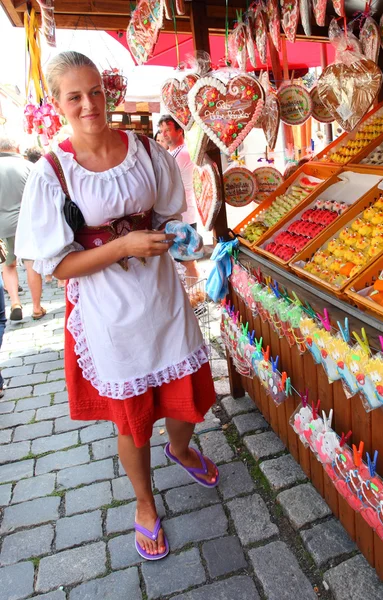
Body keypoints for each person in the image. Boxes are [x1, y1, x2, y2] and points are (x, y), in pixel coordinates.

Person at [15, 51, 217, 561]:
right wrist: (123, 247)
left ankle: (182, 448)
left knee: (185, 394)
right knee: (132, 419)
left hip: (163, 297)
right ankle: (145, 503)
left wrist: (185, 241)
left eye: (96, 93)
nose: (89, 105)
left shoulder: (148, 151)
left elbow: (171, 215)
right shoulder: (53, 172)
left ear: (107, 93)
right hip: (107, 309)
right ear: (57, 104)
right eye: (74, 97)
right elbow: (57, 266)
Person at [0, 137, 46, 321]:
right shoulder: (29, 166)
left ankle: (15, 303)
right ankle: (36, 307)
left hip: (3, 225)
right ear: (16, 147)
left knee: (8, 266)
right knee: (31, 264)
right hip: (27, 223)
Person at [158, 115, 200, 280]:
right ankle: (194, 296)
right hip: (181, 214)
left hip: (184, 215)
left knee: (186, 260)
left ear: (179, 130)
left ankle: (196, 297)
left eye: (168, 130)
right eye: (162, 131)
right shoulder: (173, 152)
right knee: (183, 259)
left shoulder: (182, 153)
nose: (164, 134)